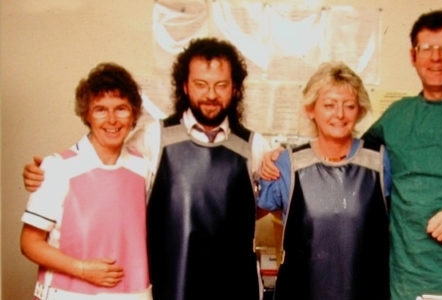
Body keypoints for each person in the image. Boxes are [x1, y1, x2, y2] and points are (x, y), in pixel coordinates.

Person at [261, 8, 442, 300]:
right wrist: (281, 156)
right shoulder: (398, 118)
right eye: (426, 48)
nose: (435, 57)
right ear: (413, 56)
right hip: (409, 284)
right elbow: (347, 152)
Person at [23, 38, 268, 300]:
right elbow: (103, 159)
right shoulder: (153, 138)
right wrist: (44, 172)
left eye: (221, 85)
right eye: (200, 84)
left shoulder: (255, 146)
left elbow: (272, 199)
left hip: (231, 286)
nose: (210, 94)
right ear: (185, 86)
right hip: (167, 284)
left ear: (235, 89)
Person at [257, 62, 391, 300]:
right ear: (311, 109)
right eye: (329, 105)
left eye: (349, 106)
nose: (339, 115)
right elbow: (256, 212)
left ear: (359, 110)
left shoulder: (379, 161)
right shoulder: (287, 164)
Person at [20, 63, 152, 300]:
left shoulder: (145, 168)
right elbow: (29, 243)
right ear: (87, 115)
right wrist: (82, 269)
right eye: (100, 109)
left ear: (133, 114)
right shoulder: (58, 167)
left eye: (121, 108)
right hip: (67, 294)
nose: (112, 119)